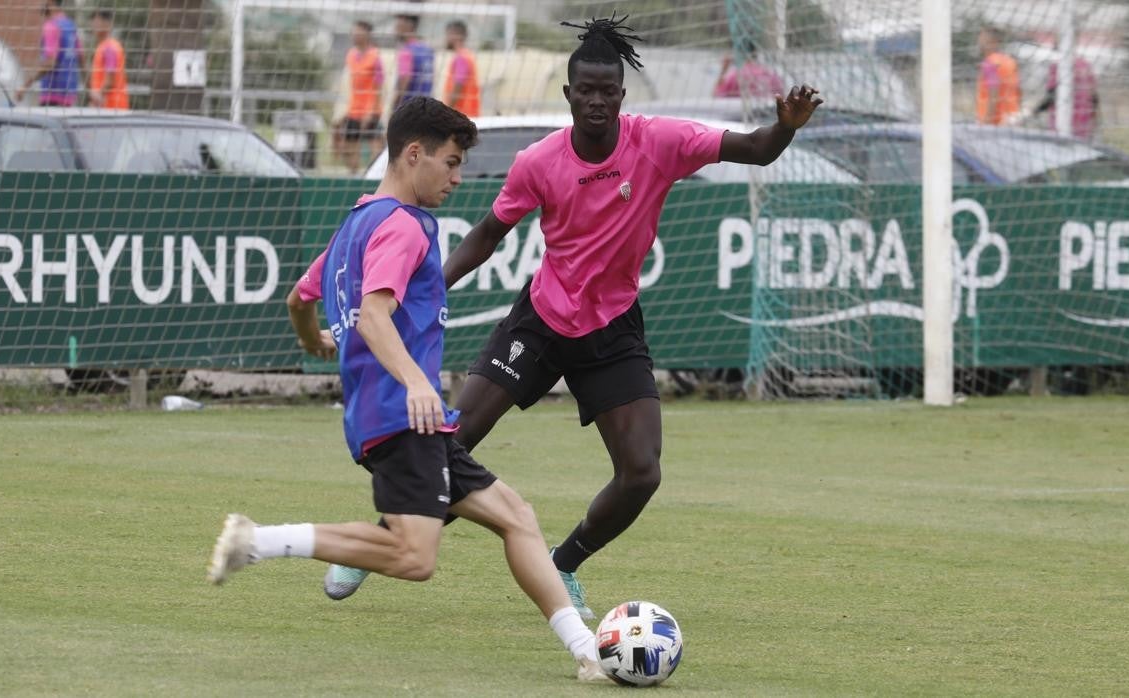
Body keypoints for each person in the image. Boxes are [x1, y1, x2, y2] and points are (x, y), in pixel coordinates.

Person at [321, 14, 822, 619]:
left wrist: (785, 127)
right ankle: (379, 539)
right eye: (584, 90)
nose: (595, 100)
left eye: (607, 91)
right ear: (568, 94)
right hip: (540, 319)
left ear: (621, 95)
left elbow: (757, 149)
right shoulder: (539, 161)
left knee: (642, 473)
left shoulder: (660, 141)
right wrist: (417, 290)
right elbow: (487, 235)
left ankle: (565, 563)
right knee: (452, 439)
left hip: (612, 328)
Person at [207, 96, 607, 683]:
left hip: (407, 418)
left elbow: (299, 297)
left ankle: (587, 652)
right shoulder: (403, 225)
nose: (457, 177)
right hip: (402, 415)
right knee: (414, 557)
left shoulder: (356, 224)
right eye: (449, 162)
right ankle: (259, 541)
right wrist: (417, 382)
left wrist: (313, 340)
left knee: (517, 518)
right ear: (412, 153)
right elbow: (373, 314)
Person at [334, 20, 384, 173]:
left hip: (371, 110)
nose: (354, 35)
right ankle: (354, 174)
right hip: (354, 109)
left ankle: (373, 175)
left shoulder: (375, 57)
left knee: (375, 145)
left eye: (358, 32)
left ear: (367, 35)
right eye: (353, 32)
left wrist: (370, 112)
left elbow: (378, 87)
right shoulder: (351, 55)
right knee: (348, 145)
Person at [16, 0, 83, 106]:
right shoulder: (71, 25)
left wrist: (25, 86)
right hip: (69, 95)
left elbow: (50, 63)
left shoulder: (51, 26)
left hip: (52, 95)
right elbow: (80, 57)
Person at [1035, 56, 1098, 141]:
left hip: (1061, 120)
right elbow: (1094, 95)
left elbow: (1052, 95)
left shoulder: (1058, 65)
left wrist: (1037, 110)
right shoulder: (1086, 65)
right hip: (1083, 120)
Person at [976, 25, 1020, 126]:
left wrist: (987, 121)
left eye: (983, 41)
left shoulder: (990, 63)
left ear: (994, 43)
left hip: (995, 120)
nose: (980, 44)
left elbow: (993, 94)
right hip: (1012, 116)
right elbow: (1018, 90)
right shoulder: (1010, 61)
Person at [713, 40, 783, 100]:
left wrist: (723, 70)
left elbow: (716, 96)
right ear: (756, 53)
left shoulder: (735, 76)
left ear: (738, 54)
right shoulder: (771, 75)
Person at [391, 13, 433, 110]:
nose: (395, 28)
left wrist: (395, 104)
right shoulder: (427, 49)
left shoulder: (406, 51)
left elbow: (405, 79)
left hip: (409, 110)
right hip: (427, 108)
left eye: (398, 24)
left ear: (409, 25)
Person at [88, 10, 128, 110]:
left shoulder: (109, 47)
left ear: (108, 24)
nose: (95, 25)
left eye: (98, 22)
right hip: (110, 106)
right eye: (94, 21)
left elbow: (110, 80)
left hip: (110, 107)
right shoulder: (106, 46)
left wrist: (96, 98)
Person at [443, 19, 480, 117]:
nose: (446, 38)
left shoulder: (461, 58)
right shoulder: (467, 55)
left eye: (447, 35)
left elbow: (457, 89)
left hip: (462, 115)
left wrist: (444, 114)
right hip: (468, 114)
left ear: (455, 34)